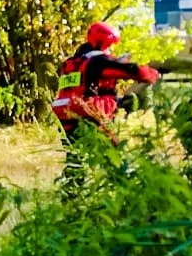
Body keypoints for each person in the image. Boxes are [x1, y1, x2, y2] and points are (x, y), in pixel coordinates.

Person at [50, 22, 160, 184]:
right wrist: (154, 73)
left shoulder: (72, 63)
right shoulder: (99, 61)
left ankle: (71, 195)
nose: (111, 50)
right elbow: (133, 71)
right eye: (110, 46)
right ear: (104, 43)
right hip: (87, 114)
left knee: (76, 157)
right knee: (112, 154)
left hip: (64, 114)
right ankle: (122, 189)